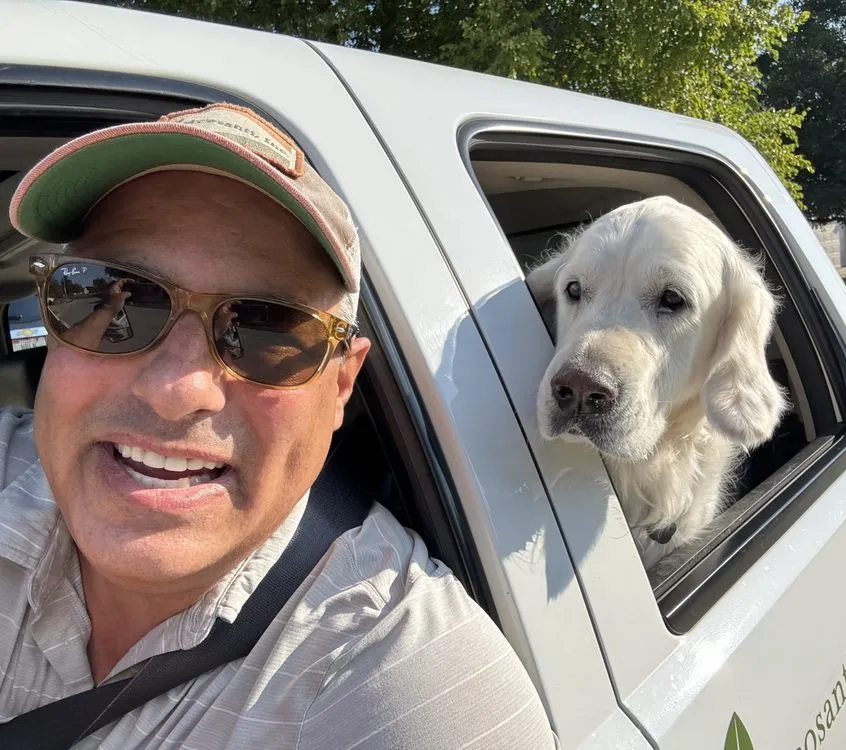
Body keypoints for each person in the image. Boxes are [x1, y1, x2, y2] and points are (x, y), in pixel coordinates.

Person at [0, 102, 556, 748]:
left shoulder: (414, 693)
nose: (175, 391)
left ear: (342, 384)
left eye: (264, 331)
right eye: (109, 297)